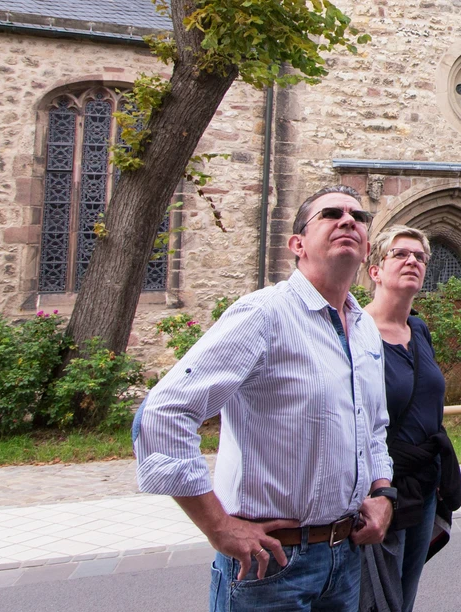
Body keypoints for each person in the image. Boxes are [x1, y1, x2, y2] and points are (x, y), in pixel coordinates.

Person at [134, 185, 393, 611]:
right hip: (271, 566)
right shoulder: (264, 314)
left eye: (358, 217)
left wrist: (383, 493)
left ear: (366, 249)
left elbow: (374, 426)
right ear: (297, 244)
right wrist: (218, 527)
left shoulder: (364, 327)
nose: (348, 220)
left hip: (345, 558)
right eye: (331, 214)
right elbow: (162, 414)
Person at [362, 225, 452, 612]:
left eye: (420, 256)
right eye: (400, 254)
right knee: (375, 597)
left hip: (424, 485)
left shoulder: (419, 329)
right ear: (375, 270)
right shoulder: (357, 331)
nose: (412, 261)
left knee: (404, 596)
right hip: (379, 488)